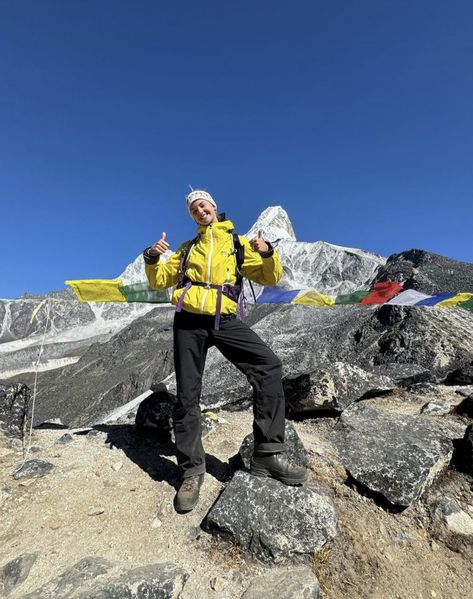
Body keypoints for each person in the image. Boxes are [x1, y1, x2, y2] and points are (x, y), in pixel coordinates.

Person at [143, 190, 307, 513]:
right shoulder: (188, 249)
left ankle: (267, 454)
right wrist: (151, 257)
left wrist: (267, 252)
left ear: (214, 208)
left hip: (224, 318)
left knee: (269, 366)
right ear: (192, 217)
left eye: (203, 205)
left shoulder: (236, 244)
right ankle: (191, 471)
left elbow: (271, 276)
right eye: (193, 209)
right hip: (188, 322)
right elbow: (161, 279)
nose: (199, 210)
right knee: (187, 396)